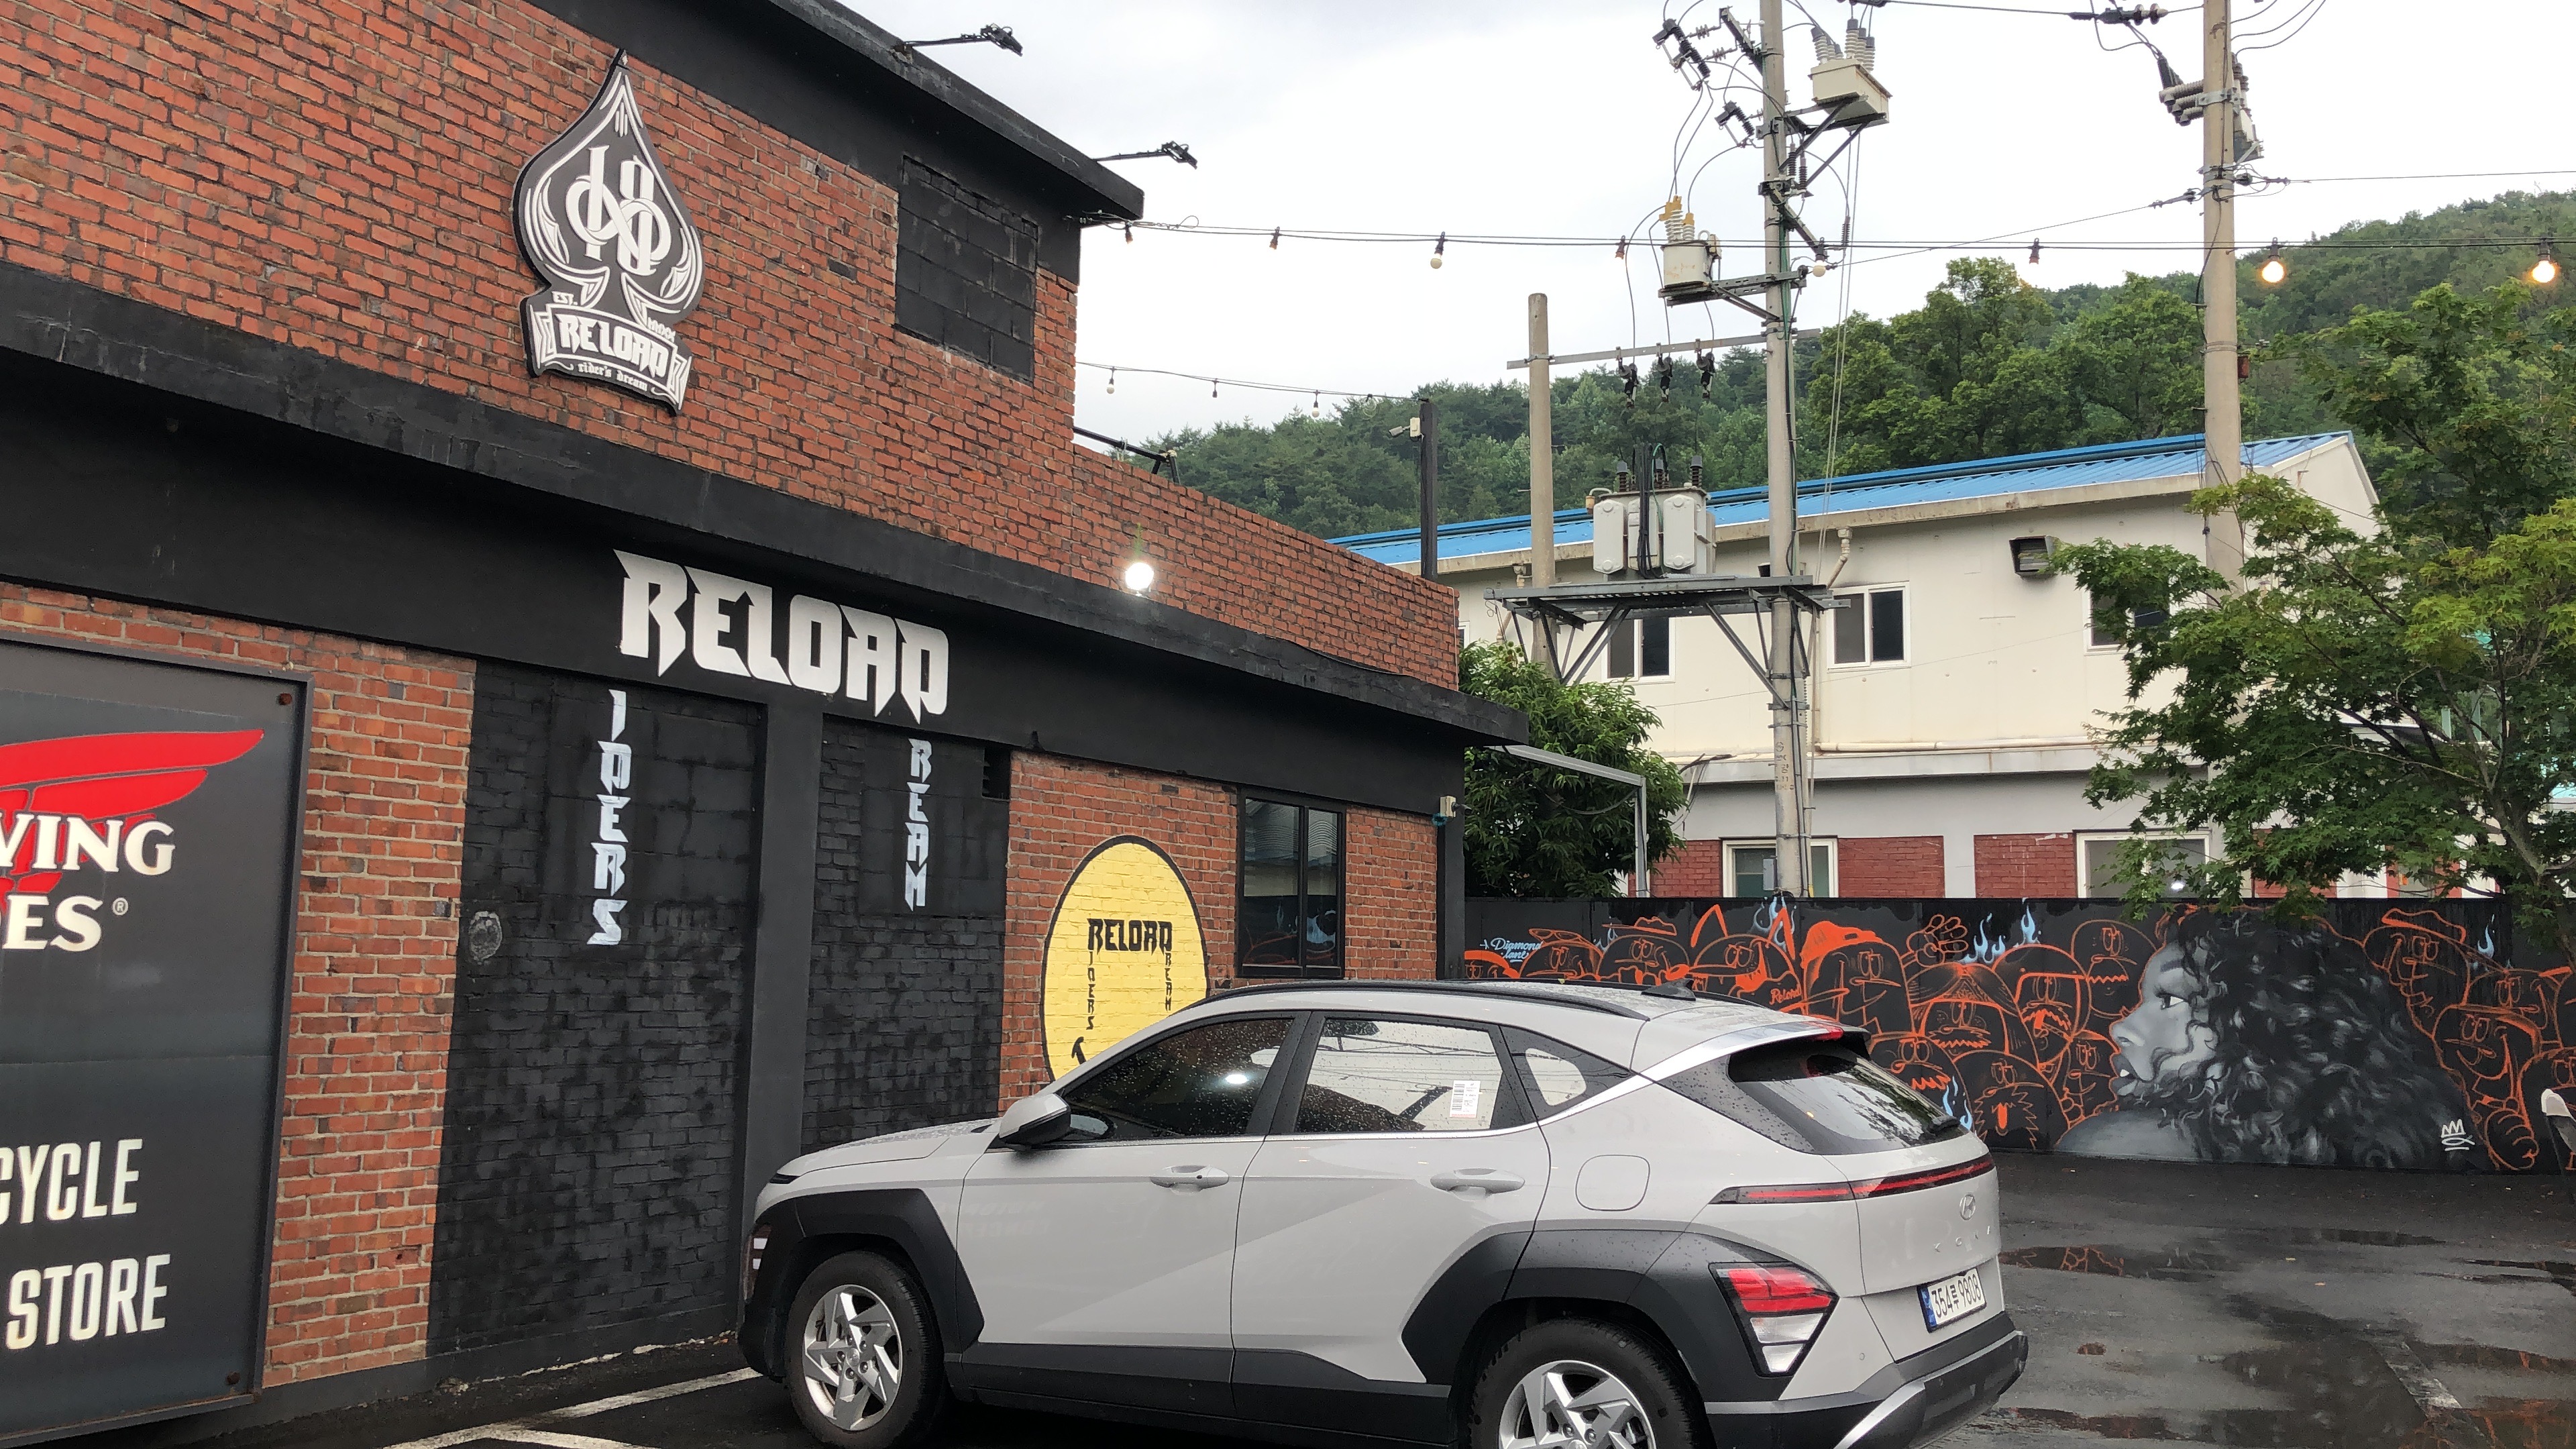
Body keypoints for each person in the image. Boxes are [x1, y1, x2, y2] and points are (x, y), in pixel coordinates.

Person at [2057, 911, 2475, 1169]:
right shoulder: (2400, 1140)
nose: (2121, 1028)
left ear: (2263, 1030)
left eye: (2172, 1000)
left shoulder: (2116, 1143)